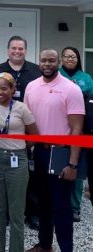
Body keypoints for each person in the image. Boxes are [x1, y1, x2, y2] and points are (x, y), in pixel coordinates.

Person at [24, 49, 85, 252]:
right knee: (42, 203)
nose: (47, 64)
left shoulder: (70, 89)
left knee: (61, 207)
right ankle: (45, 245)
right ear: (38, 62)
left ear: (58, 62)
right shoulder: (31, 87)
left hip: (61, 154)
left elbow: (77, 128)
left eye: (51, 60)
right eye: (44, 60)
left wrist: (73, 163)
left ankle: (66, 248)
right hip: (39, 153)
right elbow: (27, 121)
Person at [0, 35, 41, 229]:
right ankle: (8, 214)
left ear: (26, 50)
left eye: (21, 48)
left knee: (30, 176)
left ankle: (32, 213)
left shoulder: (35, 71)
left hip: (27, 125)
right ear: (8, 50)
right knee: (3, 177)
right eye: (14, 48)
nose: (17, 51)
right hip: (3, 130)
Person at [0, 72, 38, 252]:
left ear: (12, 90)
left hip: (17, 161)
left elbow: (35, 135)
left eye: (4, 88)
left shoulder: (21, 108)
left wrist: (21, 147)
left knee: (16, 214)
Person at [59, 46, 93, 222]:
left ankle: (74, 207)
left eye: (73, 56)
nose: (70, 59)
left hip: (80, 128)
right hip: (58, 128)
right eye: (66, 56)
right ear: (61, 59)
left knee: (77, 169)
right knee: (57, 167)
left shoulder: (86, 78)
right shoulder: (55, 75)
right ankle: (58, 205)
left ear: (78, 59)